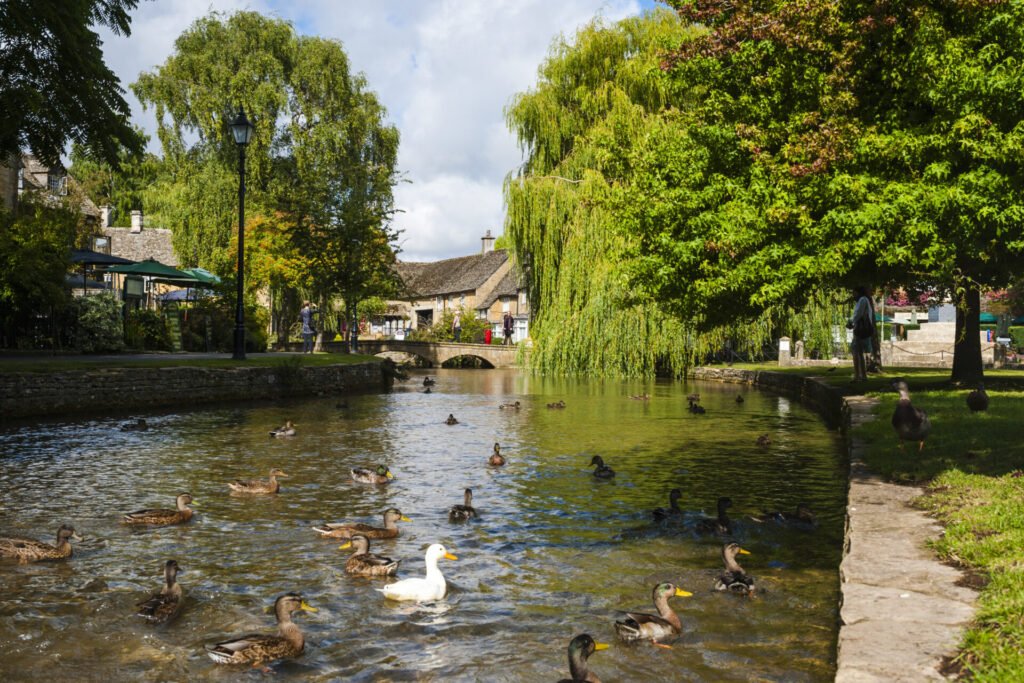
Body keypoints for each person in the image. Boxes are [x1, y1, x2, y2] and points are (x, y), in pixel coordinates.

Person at [848, 286, 874, 382]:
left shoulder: (862, 300)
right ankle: (862, 375)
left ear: (858, 292)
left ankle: (857, 376)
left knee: (856, 352)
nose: (853, 294)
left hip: (860, 330)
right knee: (859, 353)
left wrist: (851, 322)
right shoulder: (865, 300)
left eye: (854, 292)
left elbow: (858, 314)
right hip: (863, 329)